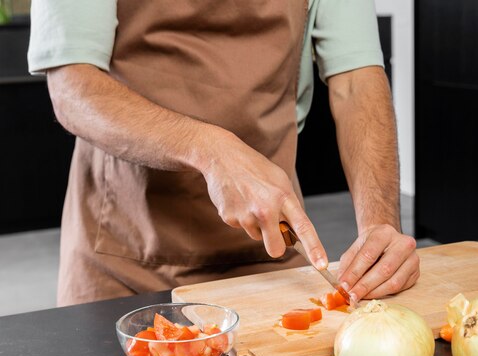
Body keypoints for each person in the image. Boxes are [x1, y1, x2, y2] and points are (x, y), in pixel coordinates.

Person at [28, 0, 420, 306]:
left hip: (269, 252)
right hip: (122, 256)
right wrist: (209, 149)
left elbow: (356, 80)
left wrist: (379, 228)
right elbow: (73, 89)